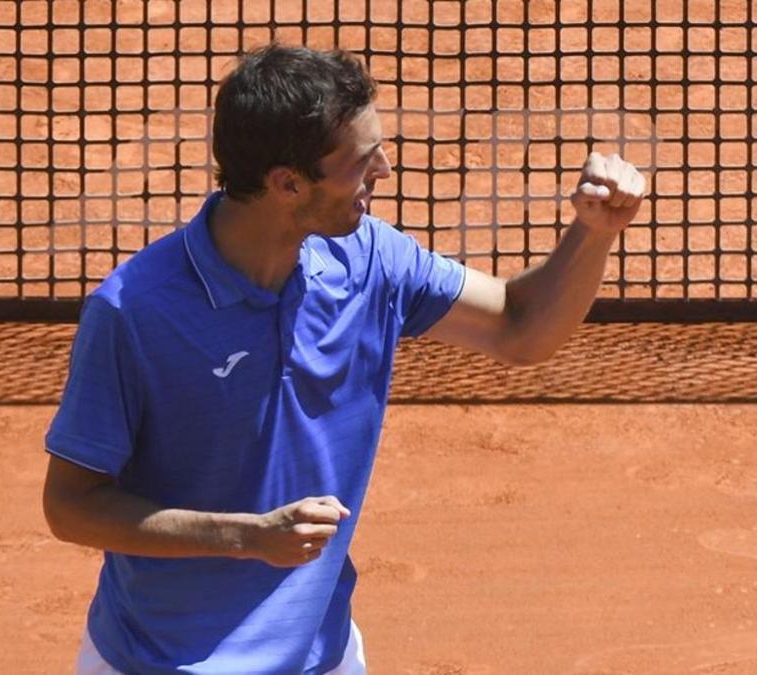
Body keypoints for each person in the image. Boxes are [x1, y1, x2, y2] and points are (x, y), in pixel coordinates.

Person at [42, 44, 647, 674]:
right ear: (287, 183)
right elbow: (71, 505)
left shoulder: (368, 260)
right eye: (362, 160)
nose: (384, 169)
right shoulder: (135, 311)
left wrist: (595, 232)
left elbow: (522, 329)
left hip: (321, 655)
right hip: (162, 663)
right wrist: (246, 536)